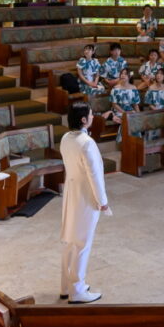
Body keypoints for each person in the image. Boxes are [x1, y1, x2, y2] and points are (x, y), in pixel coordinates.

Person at [58, 102, 111, 303]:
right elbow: (94, 174)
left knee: (70, 240)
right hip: (85, 196)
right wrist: (102, 201)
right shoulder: (87, 142)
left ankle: (66, 286)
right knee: (82, 243)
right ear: (83, 119)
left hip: (71, 192)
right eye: (90, 114)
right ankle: (77, 290)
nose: (93, 116)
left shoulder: (65, 138)